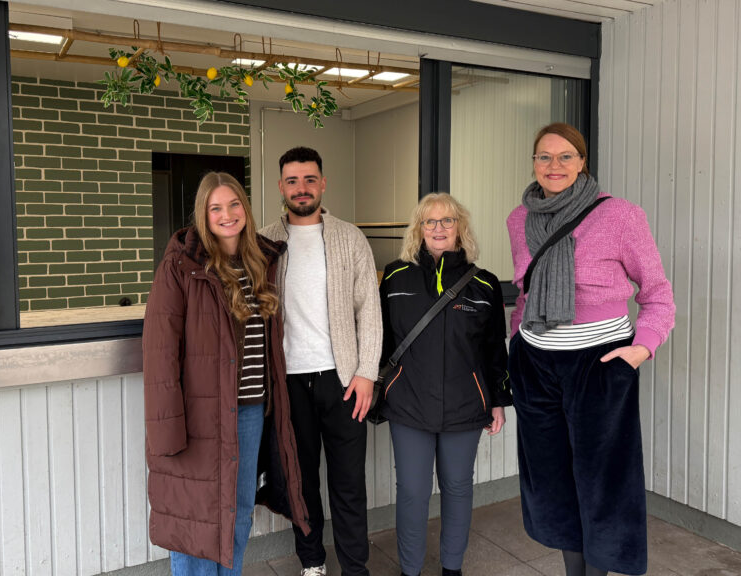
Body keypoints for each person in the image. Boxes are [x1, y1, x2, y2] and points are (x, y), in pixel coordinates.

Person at [506, 123, 675, 576]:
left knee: (602, 482)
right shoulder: (519, 220)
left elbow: (658, 293)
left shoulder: (619, 215)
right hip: (536, 363)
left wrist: (641, 349)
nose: (554, 165)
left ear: (582, 162)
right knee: (553, 479)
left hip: (598, 363)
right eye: (544, 156)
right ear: (534, 163)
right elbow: (526, 292)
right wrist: (517, 342)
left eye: (566, 156)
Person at [143, 172, 309, 575]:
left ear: (245, 209)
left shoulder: (260, 261)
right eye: (215, 207)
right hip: (200, 416)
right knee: (197, 516)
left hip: (250, 412)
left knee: (237, 512)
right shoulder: (181, 266)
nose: (226, 214)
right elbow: (160, 353)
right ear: (203, 214)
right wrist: (167, 431)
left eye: (234, 204)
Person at [260, 147, 382, 576]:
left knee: (348, 483)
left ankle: (355, 568)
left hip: (343, 380)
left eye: (310, 179)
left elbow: (369, 309)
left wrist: (366, 373)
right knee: (301, 480)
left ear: (323, 184)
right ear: (281, 186)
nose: (302, 188)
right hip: (288, 382)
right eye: (293, 181)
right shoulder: (263, 241)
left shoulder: (350, 237)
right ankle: (312, 561)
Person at [379, 193, 512, 576]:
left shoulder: (484, 283)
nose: (439, 228)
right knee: (413, 493)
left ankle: (452, 569)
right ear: (419, 229)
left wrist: (498, 399)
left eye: (447, 221)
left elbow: (494, 350)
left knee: (457, 488)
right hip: (409, 404)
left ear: (460, 227)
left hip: (464, 406)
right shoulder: (394, 277)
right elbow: (381, 340)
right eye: (430, 221)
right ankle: (410, 571)